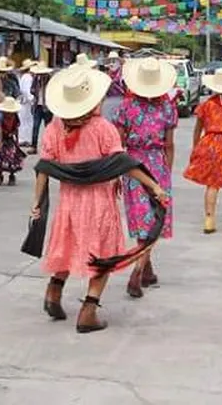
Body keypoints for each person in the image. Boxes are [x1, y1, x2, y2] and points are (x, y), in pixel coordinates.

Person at [33, 67, 167, 332]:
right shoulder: (103, 129)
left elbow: (44, 168)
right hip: (98, 202)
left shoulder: (53, 129)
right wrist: (154, 186)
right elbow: (124, 163)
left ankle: (53, 293)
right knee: (101, 254)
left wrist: (36, 204)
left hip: (69, 202)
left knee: (67, 248)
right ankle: (88, 311)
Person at [112, 57, 178, 299]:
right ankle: (139, 270)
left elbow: (117, 144)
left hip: (131, 165)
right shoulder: (168, 108)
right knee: (155, 220)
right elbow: (169, 145)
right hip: (157, 165)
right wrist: (166, 173)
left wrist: (117, 173)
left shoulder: (125, 107)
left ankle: (144, 269)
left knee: (143, 220)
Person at [184, 68, 222, 234]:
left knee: (212, 183)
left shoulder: (205, 106)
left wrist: (196, 147)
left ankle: (209, 220)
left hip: (210, 143)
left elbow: (197, 129)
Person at [0, 95, 26, 185]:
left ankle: (12, 175)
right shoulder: (0, 117)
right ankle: (0, 175)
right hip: (2, 139)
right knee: (0, 158)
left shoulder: (15, 117)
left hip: (10, 139)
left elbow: (16, 129)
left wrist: (17, 141)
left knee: (12, 157)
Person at [29, 61, 54, 148]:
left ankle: (49, 145)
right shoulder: (36, 79)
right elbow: (31, 90)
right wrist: (36, 90)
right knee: (35, 126)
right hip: (38, 106)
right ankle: (33, 146)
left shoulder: (51, 80)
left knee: (48, 128)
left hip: (48, 107)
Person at [101, 51, 125, 121]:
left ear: (119, 63)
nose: (111, 64)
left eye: (114, 61)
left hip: (120, 101)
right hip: (108, 102)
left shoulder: (123, 75)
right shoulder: (107, 75)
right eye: (109, 62)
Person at [18, 60, 36, 145]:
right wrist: (32, 99)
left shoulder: (24, 76)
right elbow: (26, 91)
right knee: (27, 120)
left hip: (23, 101)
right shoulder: (28, 77)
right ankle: (24, 139)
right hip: (26, 102)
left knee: (24, 120)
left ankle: (23, 138)